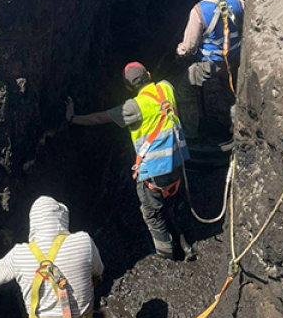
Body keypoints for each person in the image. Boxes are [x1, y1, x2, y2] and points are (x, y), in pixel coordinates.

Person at [66, 63, 194, 262]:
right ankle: (182, 240)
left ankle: (166, 252)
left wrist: (72, 117)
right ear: (149, 74)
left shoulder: (133, 107)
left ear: (127, 87)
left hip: (154, 172)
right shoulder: (166, 87)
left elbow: (100, 118)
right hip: (178, 163)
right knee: (169, 200)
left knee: (151, 212)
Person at [176, 0, 244, 140]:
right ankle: (235, 128)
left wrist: (179, 51)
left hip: (210, 63)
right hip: (234, 60)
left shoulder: (199, 11)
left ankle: (190, 133)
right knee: (233, 92)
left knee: (185, 90)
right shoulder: (237, 0)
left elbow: (190, 46)